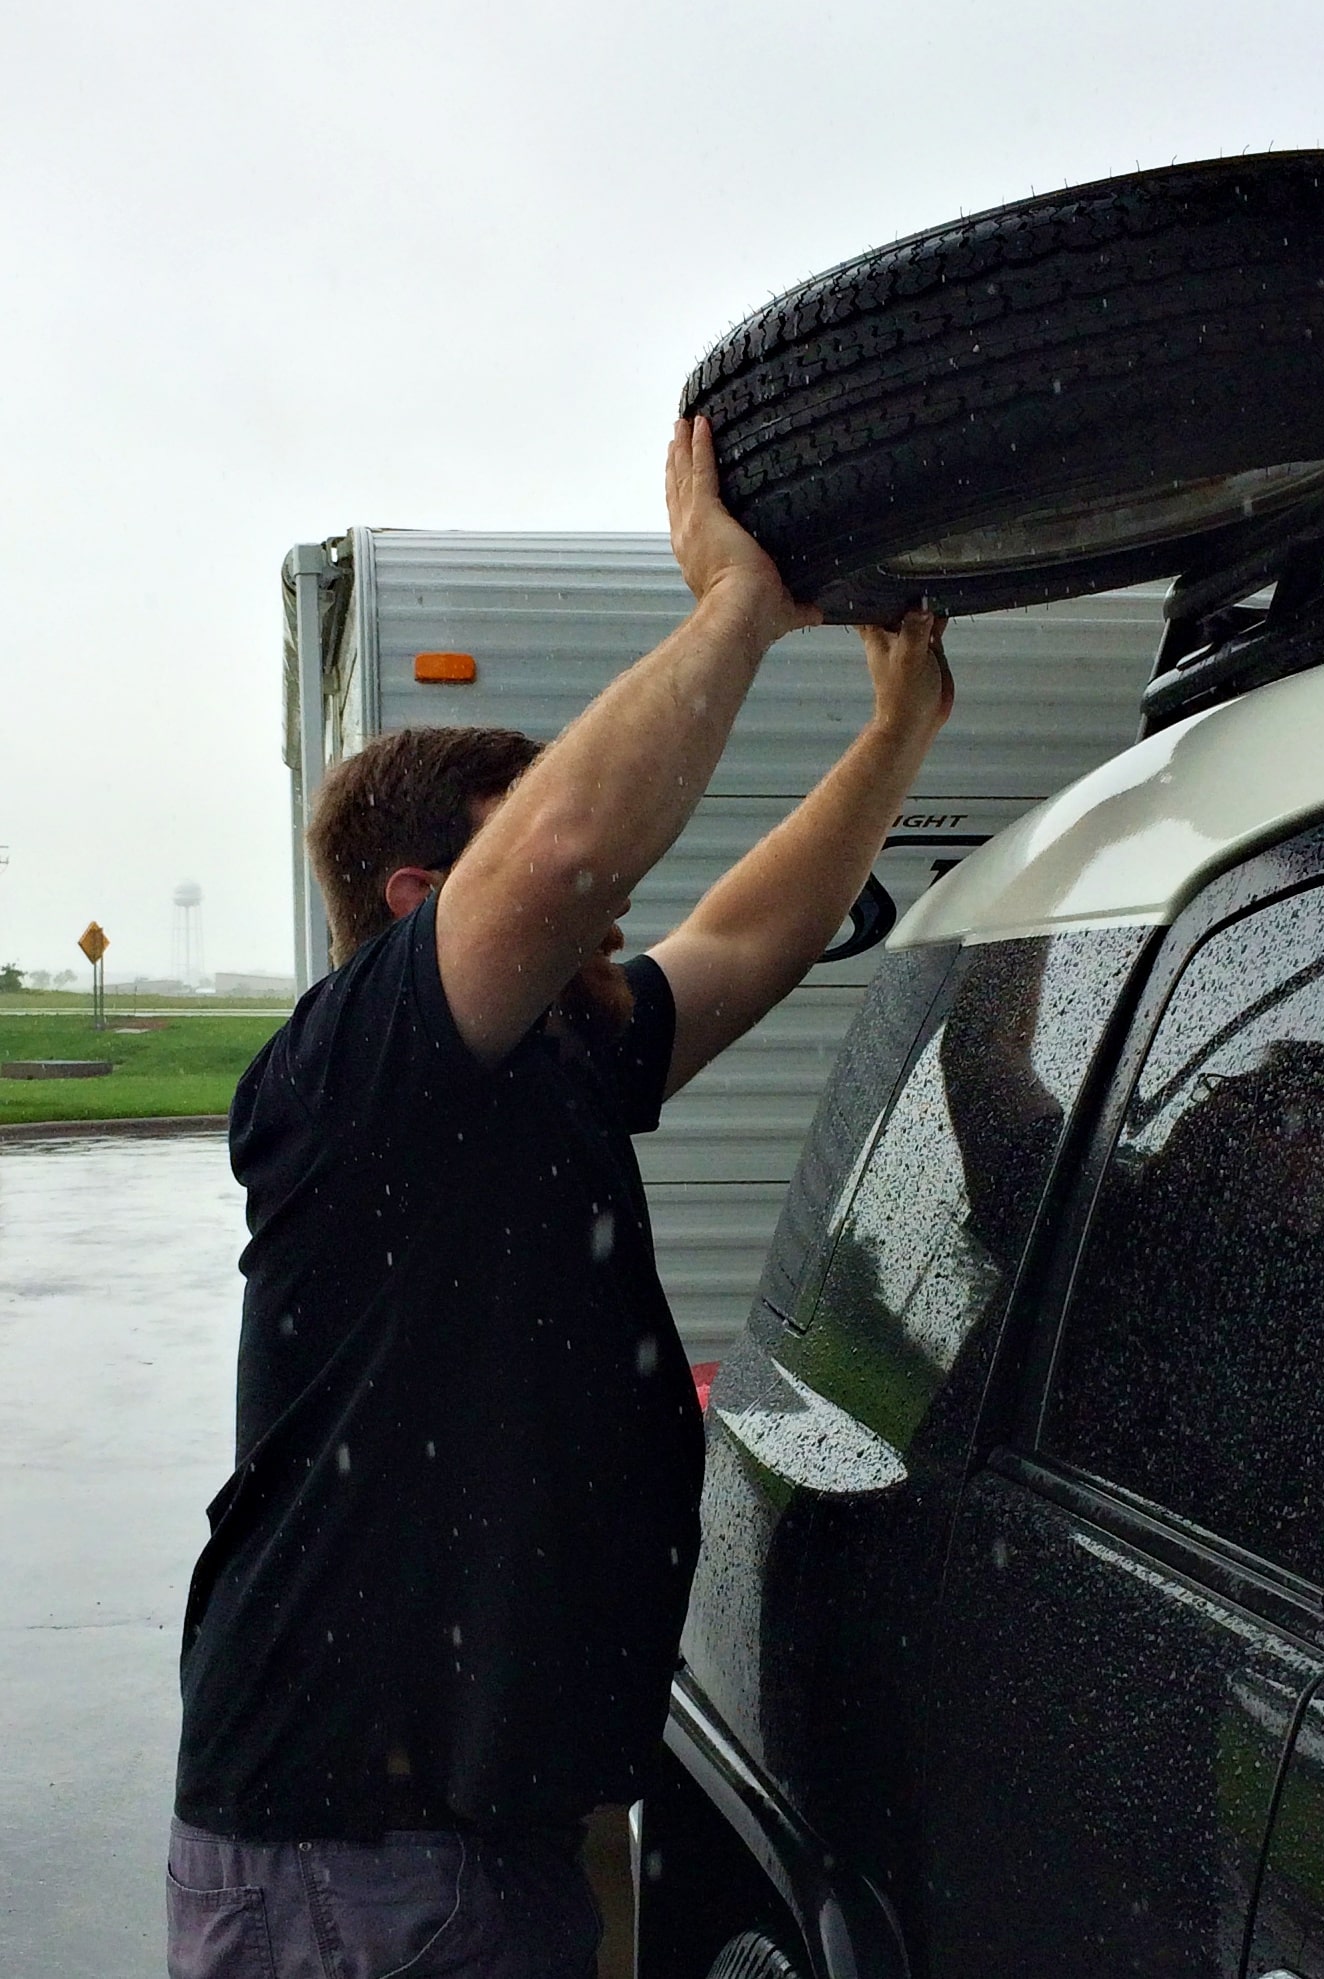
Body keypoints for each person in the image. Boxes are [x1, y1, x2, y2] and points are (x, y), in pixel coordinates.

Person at [164, 418, 954, 1978]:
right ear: (416, 905)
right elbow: (578, 846)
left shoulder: (553, 1059)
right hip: (349, 1865)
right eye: (516, 866)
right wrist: (736, 606)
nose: (612, 909)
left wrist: (895, 738)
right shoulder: (360, 1070)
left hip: (460, 1849)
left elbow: (746, 939)